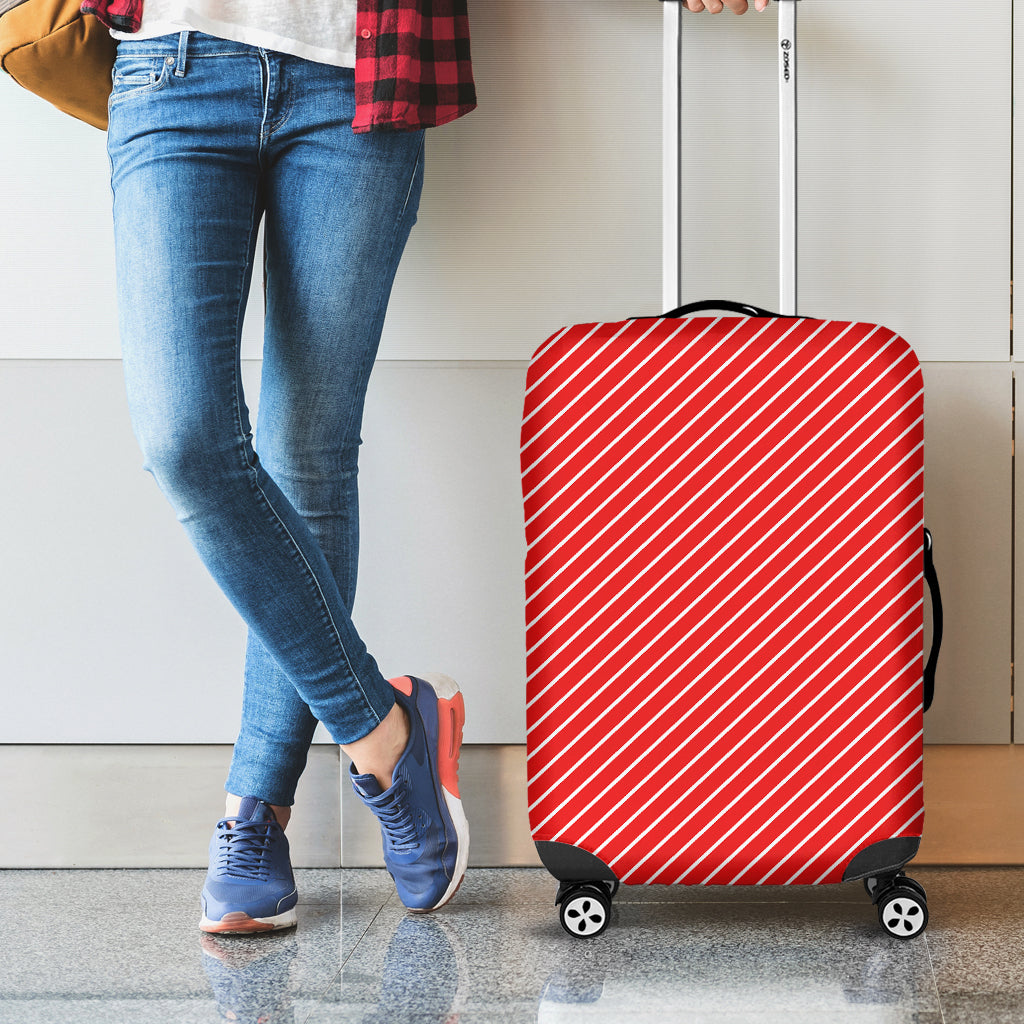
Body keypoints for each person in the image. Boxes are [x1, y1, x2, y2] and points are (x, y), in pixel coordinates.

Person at [84, 0, 476, 933]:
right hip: (173, 69)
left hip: (359, 78)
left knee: (308, 456)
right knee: (184, 441)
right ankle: (385, 730)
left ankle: (255, 813)